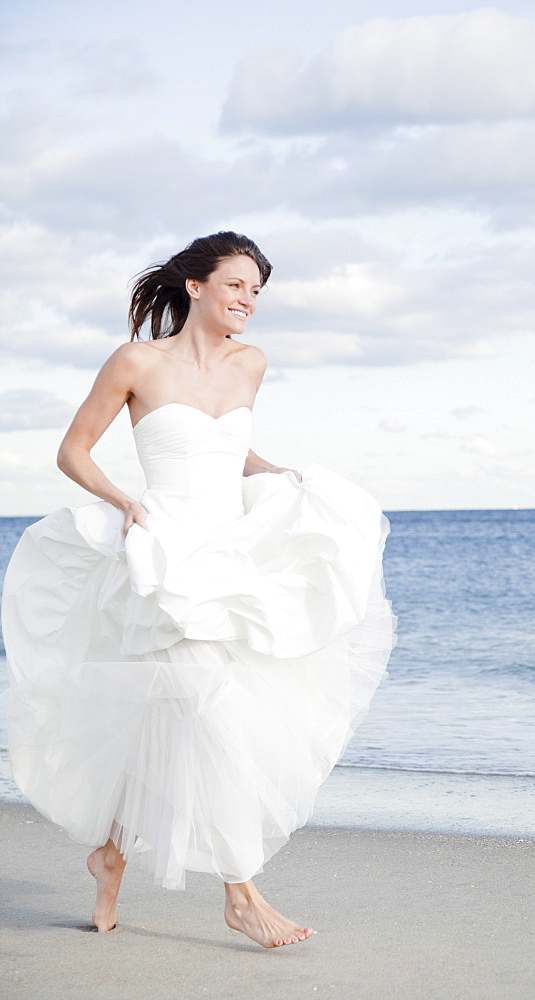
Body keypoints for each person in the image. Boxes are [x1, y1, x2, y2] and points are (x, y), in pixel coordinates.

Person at [1, 231, 395, 949]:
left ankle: (112, 856)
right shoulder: (136, 361)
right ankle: (241, 895)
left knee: (172, 718)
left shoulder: (252, 364)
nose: (248, 300)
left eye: (256, 291)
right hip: (166, 554)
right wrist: (124, 504)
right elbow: (72, 450)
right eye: (236, 285)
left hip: (233, 553)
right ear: (195, 286)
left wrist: (278, 476)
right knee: (207, 712)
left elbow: (226, 448)